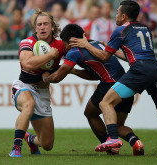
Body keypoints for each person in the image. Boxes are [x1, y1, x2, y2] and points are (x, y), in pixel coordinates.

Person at [69, 0, 157, 156]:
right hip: (156, 70)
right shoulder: (145, 28)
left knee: (105, 102)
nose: (115, 15)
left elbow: (103, 57)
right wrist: (114, 50)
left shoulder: (120, 30)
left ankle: (113, 139)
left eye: (117, 12)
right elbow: (134, 54)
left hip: (139, 71)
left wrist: (86, 44)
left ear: (123, 16)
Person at [42, 24, 144, 156]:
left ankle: (110, 147)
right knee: (117, 126)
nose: (65, 48)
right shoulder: (94, 44)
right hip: (125, 83)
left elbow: (57, 77)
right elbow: (94, 75)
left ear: (71, 41)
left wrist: (45, 78)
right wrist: (73, 71)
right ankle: (136, 142)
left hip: (110, 85)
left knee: (90, 113)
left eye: (65, 44)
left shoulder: (75, 51)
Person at [9, 8, 65, 157]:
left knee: (47, 144)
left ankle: (30, 139)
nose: (42, 27)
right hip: (23, 86)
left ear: (52, 26)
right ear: (35, 28)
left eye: (46, 24)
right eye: (39, 25)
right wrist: (51, 55)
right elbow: (27, 64)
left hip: (43, 93)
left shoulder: (60, 45)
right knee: (29, 104)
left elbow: (72, 59)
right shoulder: (27, 42)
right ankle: (16, 147)